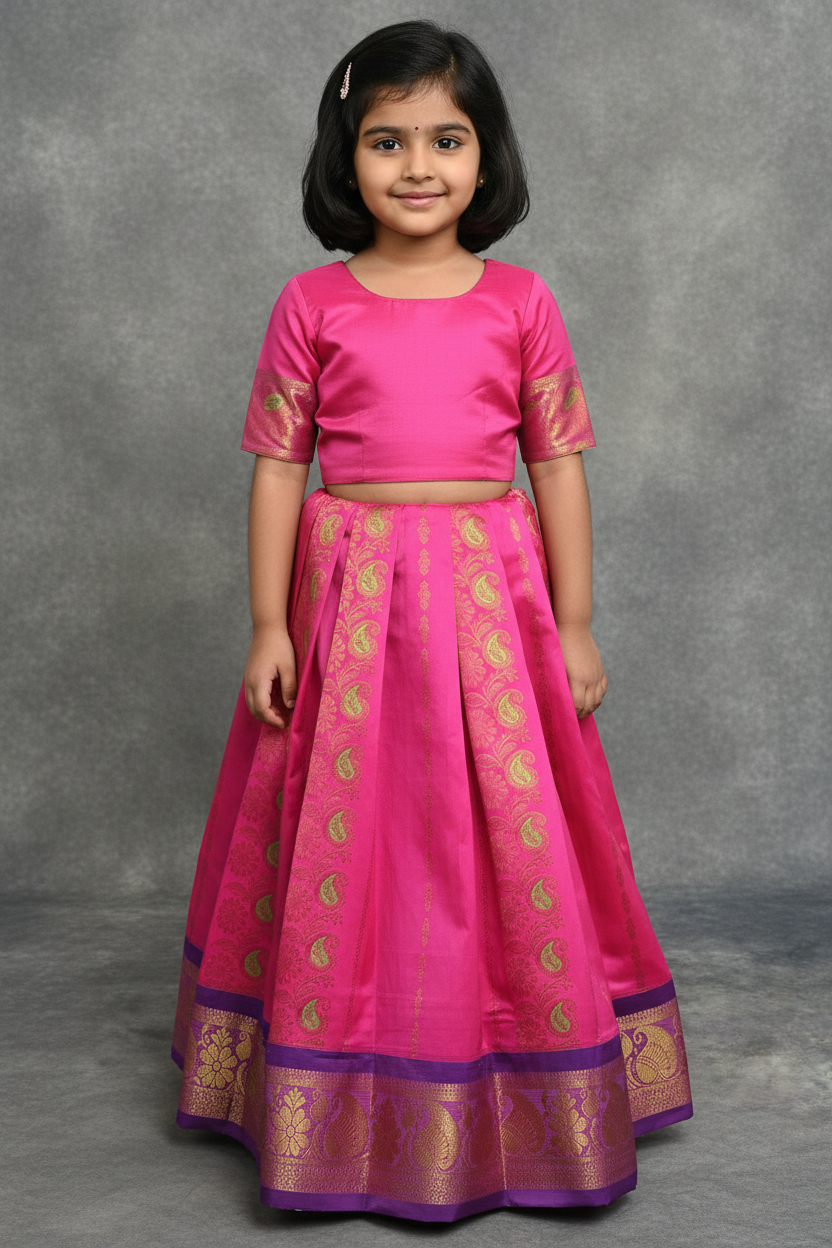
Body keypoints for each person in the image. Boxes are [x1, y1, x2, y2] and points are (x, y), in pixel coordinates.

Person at [171, 19, 692, 1222]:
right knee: (351, 828)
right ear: (343, 157)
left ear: (486, 154)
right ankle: (331, 1088)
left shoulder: (521, 301)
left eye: (446, 140)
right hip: (347, 607)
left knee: (497, 826)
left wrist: (575, 620)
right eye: (386, 140)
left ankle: (514, 1076)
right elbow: (278, 469)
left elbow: (556, 466)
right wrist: (267, 625)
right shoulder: (311, 302)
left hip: (490, 603)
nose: (417, 165)